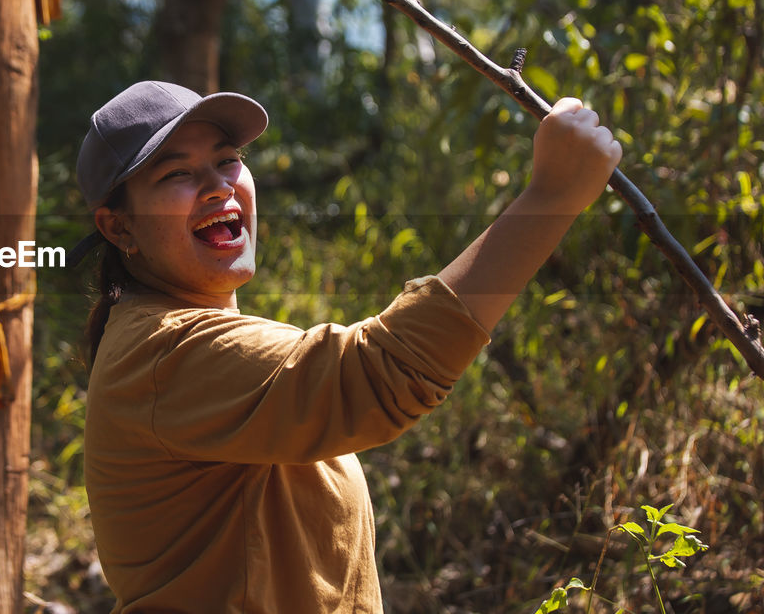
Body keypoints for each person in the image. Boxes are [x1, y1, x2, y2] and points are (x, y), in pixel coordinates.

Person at [72, 80, 622, 613]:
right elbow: (384, 373)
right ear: (120, 228)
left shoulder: (188, 339)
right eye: (177, 173)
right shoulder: (166, 352)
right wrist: (551, 197)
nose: (218, 185)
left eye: (227, 159)